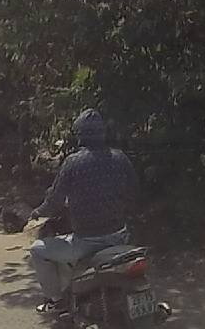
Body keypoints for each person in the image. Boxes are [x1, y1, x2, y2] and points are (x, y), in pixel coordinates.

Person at [27, 108, 138, 314]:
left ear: (80, 135)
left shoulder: (74, 162)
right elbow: (133, 193)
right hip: (120, 237)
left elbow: (54, 202)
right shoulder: (120, 157)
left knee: (37, 250)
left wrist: (37, 213)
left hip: (86, 242)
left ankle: (56, 300)